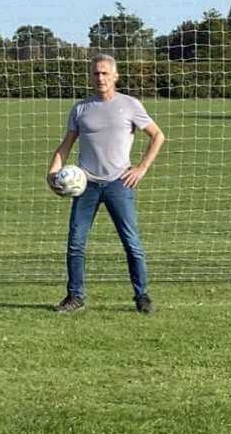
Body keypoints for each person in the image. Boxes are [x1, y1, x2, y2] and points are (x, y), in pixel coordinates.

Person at [47, 54, 164, 314]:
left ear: (115, 76)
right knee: (76, 242)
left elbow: (157, 136)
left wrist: (141, 168)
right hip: (85, 184)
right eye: (96, 73)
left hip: (119, 184)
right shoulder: (81, 109)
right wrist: (52, 173)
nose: (100, 77)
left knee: (131, 241)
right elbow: (65, 146)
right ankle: (75, 297)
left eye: (104, 73)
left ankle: (142, 296)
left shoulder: (130, 105)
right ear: (91, 77)